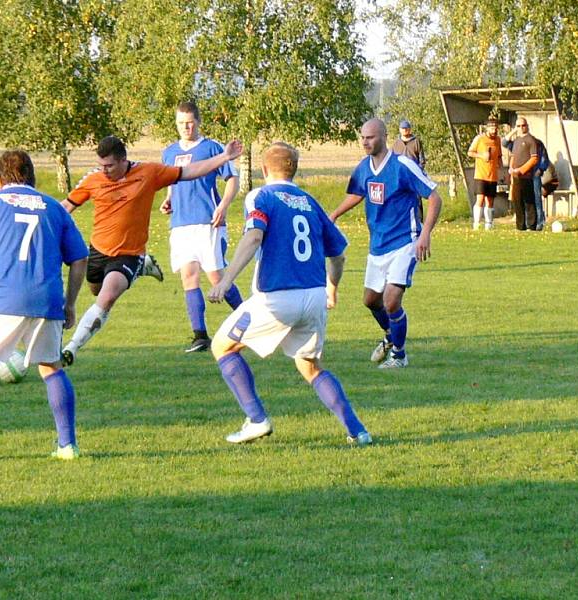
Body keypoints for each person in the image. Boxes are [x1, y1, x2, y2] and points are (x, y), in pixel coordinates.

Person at [208, 142, 371, 446]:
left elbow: (254, 235)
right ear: (294, 170)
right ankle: (357, 431)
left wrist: (226, 279)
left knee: (222, 347)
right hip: (314, 297)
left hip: (277, 298)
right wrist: (331, 291)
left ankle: (256, 420)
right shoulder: (310, 201)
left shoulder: (261, 195)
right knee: (309, 365)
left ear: (265, 170)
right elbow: (339, 256)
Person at [0, 150, 89, 460]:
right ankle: (67, 446)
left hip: (2, 300)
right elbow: (79, 258)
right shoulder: (54, 208)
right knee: (51, 368)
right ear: (33, 178)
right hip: (47, 300)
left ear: (0, 180)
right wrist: (71, 303)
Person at [61, 135, 243, 366]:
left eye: (109, 166)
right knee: (96, 290)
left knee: (106, 297)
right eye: (101, 165)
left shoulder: (148, 173)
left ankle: (71, 348)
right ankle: (144, 267)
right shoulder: (93, 179)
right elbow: (65, 207)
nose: (104, 171)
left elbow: (189, 171)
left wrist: (224, 157)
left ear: (123, 160)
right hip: (99, 251)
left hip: (128, 253)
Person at [329, 118, 442, 369]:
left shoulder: (402, 165)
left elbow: (434, 197)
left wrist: (425, 234)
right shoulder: (364, 168)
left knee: (392, 300)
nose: (365, 142)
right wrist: (335, 214)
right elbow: (358, 192)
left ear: (382, 136)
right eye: (362, 137)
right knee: (370, 300)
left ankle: (399, 356)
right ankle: (391, 335)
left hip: (405, 240)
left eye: (370, 137)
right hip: (377, 244)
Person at [160, 101, 244, 352]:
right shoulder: (169, 152)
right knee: (189, 276)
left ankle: (250, 321)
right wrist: (168, 199)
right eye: (180, 123)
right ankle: (200, 335)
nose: (185, 127)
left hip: (209, 222)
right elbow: (171, 181)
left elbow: (232, 179)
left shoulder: (212, 148)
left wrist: (223, 206)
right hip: (181, 225)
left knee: (217, 277)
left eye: (189, 122)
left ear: (198, 122)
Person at [502, 117, 539, 231]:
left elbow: (534, 159)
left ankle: (531, 226)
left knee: (529, 201)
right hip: (516, 176)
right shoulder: (516, 140)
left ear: (527, 126)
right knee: (517, 201)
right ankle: (520, 226)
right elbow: (506, 145)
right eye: (518, 126)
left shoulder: (531, 140)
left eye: (523, 125)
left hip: (527, 176)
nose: (521, 128)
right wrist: (511, 168)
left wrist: (521, 169)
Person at [467, 118, 502, 230]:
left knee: (490, 200)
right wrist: (482, 155)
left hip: (492, 175)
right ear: (488, 128)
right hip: (481, 175)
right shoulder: (480, 139)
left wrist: (501, 169)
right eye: (492, 127)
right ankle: (476, 224)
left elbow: (499, 156)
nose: (494, 129)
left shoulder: (498, 140)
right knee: (480, 198)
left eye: (496, 127)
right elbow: (470, 152)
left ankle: (489, 224)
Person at [391, 119, 426, 219]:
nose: (405, 130)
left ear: (410, 129)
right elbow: (392, 159)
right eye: (403, 128)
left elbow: (422, 159)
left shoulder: (416, 142)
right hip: (400, 176)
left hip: (414, 175)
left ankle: (419, 221)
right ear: (400, 130)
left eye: (406, 128)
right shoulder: (396, 143)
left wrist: (419, 171)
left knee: (417, 198)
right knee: (400, 198)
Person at [532, 136, 551, 230]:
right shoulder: (520, 142)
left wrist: (540, 169)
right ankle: (529, 222)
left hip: (535, 175)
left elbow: (545, 159)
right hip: (524, 175)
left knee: (537, 198)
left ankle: (540, 222)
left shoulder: (538, 143)